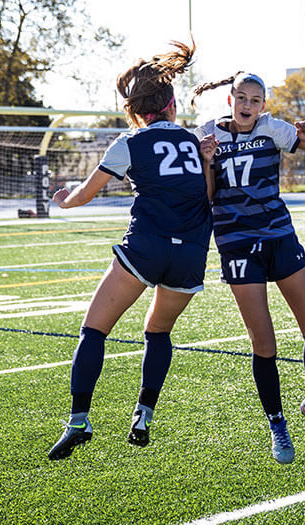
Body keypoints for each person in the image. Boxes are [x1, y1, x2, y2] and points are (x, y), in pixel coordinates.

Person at [47, 40, 214, 460]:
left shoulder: (129, 142)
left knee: (93, 330)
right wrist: (206, 162)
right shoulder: (194, 142)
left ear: (136, 110)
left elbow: (86, 194)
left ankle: (79, 421)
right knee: (158, 332)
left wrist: (62, 200)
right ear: (172, 104)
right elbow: (206, 197)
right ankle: (143, 414)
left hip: (147, 247)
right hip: (191, 252)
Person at [192, 72, 305, 464]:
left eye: (255, 99)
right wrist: (207, 162)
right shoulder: (206, 134)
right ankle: (277, 424)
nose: (247, 105)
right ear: (230, 100)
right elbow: (206, 198)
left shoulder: (272, 129)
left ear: (263, 104)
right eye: (241, 97)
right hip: (237, 245)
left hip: (279, 237)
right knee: (265, 344)